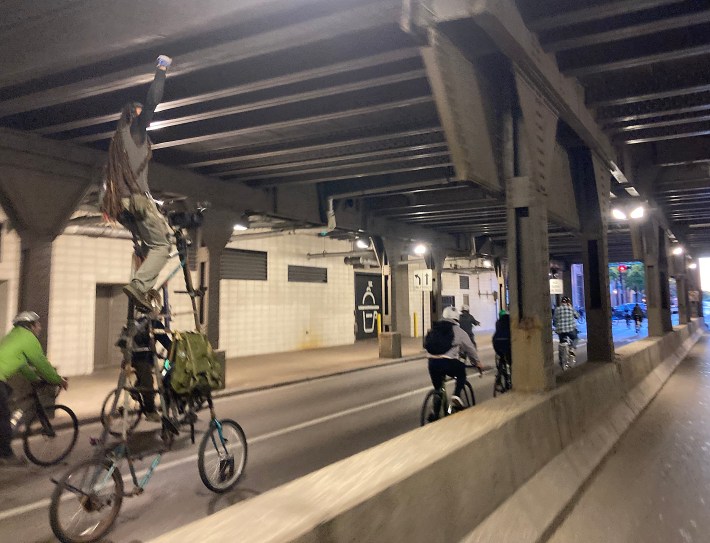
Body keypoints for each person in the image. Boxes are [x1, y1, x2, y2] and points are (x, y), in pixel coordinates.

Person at [101, 55, 173, 313]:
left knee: (148, 242)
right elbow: (153, 101)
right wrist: (161, 70)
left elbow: (107, 178)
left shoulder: (117, 140)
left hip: (120, 205)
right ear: (134, 114)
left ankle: (142, 281)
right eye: (141, 113)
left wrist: (106, 206)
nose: (146, 117)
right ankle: (140, 285)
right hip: (136, 200)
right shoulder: (135, 131)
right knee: (164, 244)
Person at [0, 311, 67, 466]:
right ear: (30, 325)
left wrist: (34, 379)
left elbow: (22, 364)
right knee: (4, 416)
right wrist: (58, 380)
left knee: (7, 398)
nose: (40, 327)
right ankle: (6, 456)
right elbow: (41, 363)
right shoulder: (28, 338)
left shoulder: (13, 335)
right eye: (38, 324)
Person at [425, 306, 480, 414]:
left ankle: (434, 413)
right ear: (456, 318)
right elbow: (470, 348)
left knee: (438, 389)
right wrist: (477, 362)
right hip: (448, 362)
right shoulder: (458, 331)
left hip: (432, 362)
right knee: (461, 372)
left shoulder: (434, 328)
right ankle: (456, 395)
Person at [130, 317, 172, 422]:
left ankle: (137, 388)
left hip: (132, 356)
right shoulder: (155, 324)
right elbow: (168, 344)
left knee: (145, 377)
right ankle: (150, 412)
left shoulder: (139, 320)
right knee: (149, 383)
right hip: (143, 359)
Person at [553, 296, 580, 368]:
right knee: (575, 338)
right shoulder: (571, 308)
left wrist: (556, 325)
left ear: (561, 302)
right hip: (571, 329)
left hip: (560, 331)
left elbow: (554, 321)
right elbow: (577, 316)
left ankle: (562, 361)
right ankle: (572, 348)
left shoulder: (557, 309)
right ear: (568, 302)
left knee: (561, 342)